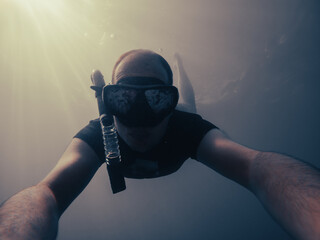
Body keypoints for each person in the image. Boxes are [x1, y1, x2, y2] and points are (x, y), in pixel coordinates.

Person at [0, 49, 319, 240]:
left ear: (170, 100)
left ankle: (182, 71)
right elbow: (46, 193)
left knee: (191, 106)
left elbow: (256, 167)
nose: (140, 119)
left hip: (184, 115)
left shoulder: (186, 127)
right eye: (124, 98)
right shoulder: (99, 132)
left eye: (156, 98)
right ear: (107, 102)